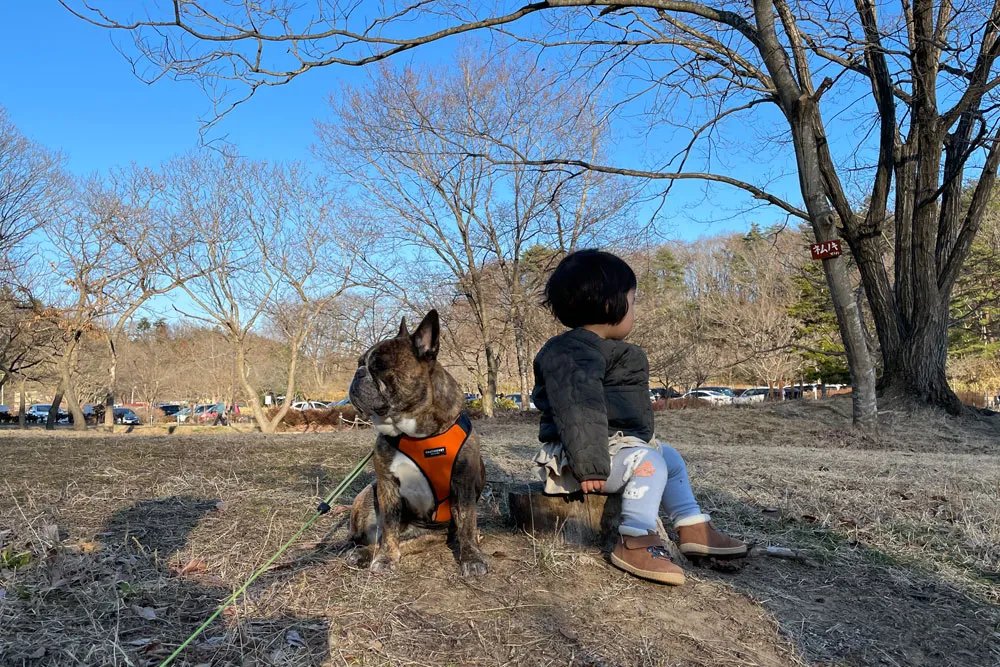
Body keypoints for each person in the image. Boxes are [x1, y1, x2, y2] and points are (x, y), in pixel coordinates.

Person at [531, 249, 746, 586]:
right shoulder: (572, 351)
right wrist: (589, 464)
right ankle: (634, 539)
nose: (635, 309)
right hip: (577, 458)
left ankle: (692, 527)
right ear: (609, 305)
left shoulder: (604, 348)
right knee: (650, 463)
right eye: (633, 300)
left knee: (669, 458)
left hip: (614, 448)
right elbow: (578, 408)